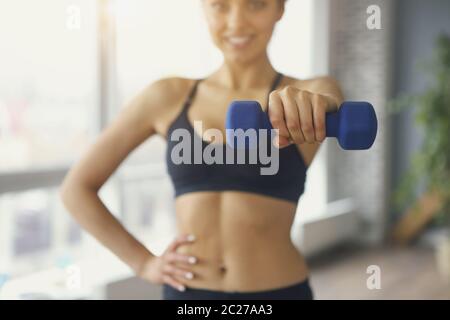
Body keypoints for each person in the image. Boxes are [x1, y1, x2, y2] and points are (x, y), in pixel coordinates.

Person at [60, 0, 344, 300]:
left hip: (278, 293)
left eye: (256, 5)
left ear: (280, 8)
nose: (236, 23)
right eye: (220, 6)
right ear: (203, 9)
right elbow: (76, 189)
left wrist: (314, 105)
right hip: (188, 296)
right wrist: (143, 262)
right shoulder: (168, 96)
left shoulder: (308, 92)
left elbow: (328, 97)